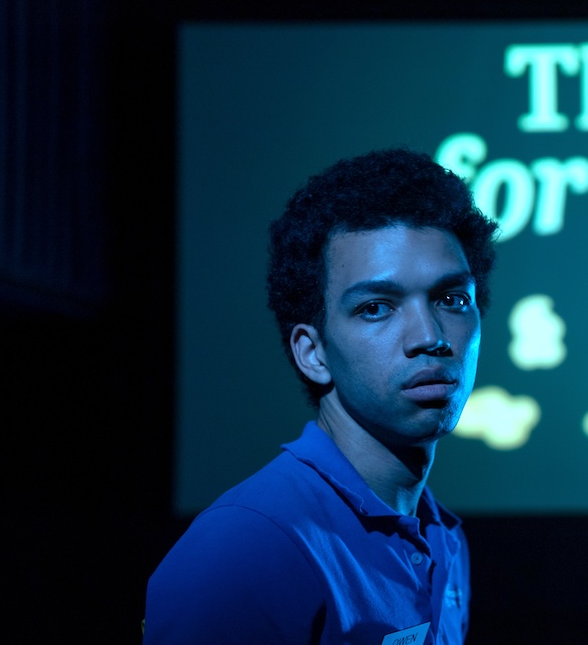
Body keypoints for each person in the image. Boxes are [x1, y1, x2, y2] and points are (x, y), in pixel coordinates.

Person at [144, 148, 498, 644]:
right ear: (313, 353)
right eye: (377, 307)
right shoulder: (249, 546)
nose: (429, 334)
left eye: (451, 299)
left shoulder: (442, 537)